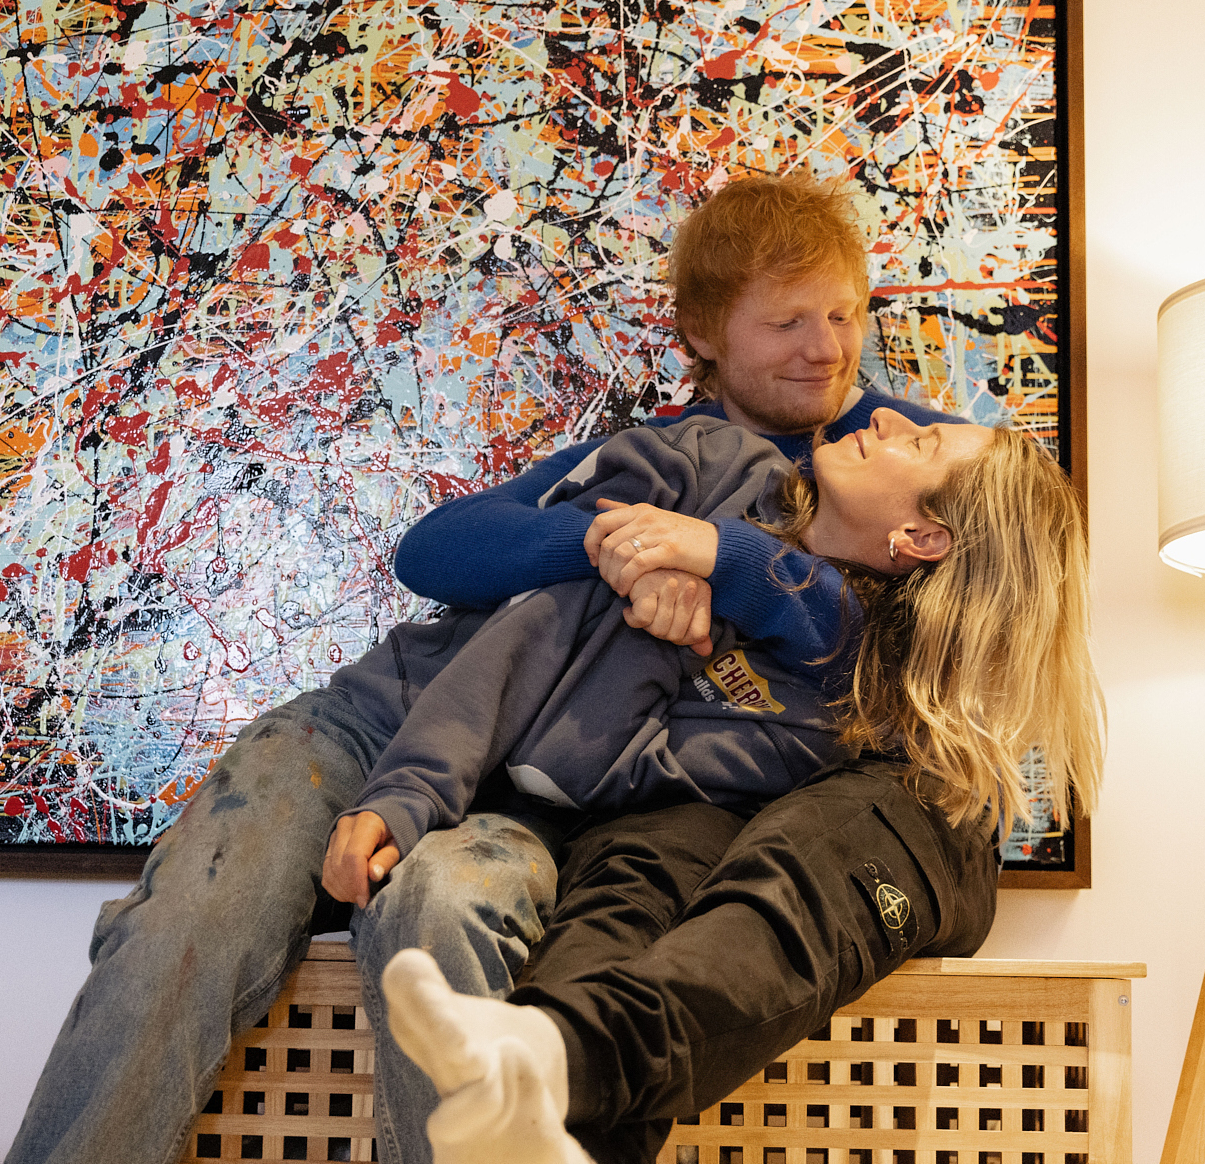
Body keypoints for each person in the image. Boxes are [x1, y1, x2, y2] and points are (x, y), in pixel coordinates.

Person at [0, 172, 1018, 1164]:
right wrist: (624, 545)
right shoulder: (669, 453)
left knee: (438, 907)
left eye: (843, 314)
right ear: (704, 334)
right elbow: (434, 551)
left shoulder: (899, 466)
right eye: (787, 321)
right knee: (198, 910)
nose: (826, 349)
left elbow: (943, 639)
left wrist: (717, 560)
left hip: (533, 788)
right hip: (387, 719)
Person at [376, 410, 1103, 1164]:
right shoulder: (724, 474)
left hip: (827, 830)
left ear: (922, 538)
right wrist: (645, 562)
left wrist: (720, 553)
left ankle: (553, 1053)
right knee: (631, 886)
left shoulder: (878, 688)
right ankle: (545, 1071)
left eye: (921, 442)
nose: (889, 415)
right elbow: (439, 553)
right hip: (682, 822)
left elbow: (847, 638)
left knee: (788, 862)